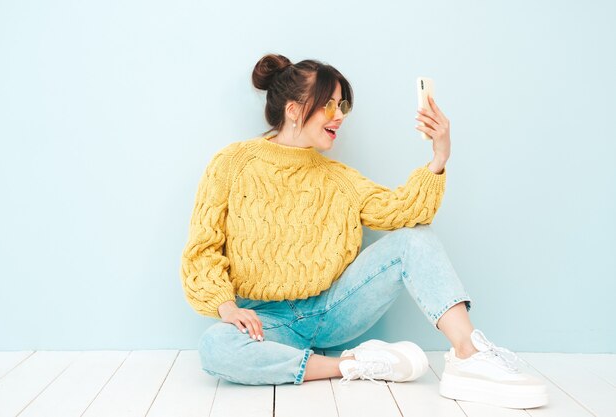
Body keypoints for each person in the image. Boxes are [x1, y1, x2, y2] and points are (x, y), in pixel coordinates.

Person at [179, 53, 548, 409]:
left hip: (332, 311)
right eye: (330, 105)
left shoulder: (339, 179)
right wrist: (226, 307)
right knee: (215, 347)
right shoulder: (233, 163)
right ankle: (354, 365)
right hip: (266, 323)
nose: (339, 116)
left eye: (343, 106)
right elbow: (203, 248)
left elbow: (404, 211)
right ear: (293, 110)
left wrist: (439, 157)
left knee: (414, 239)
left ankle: (469, 355)